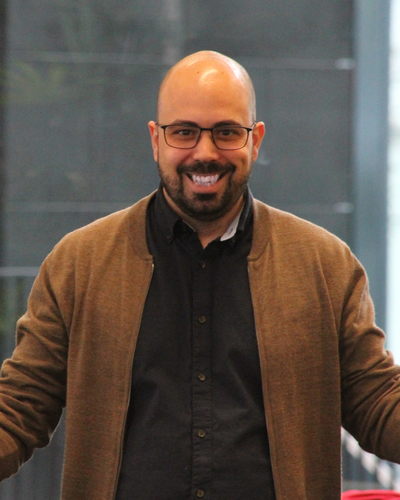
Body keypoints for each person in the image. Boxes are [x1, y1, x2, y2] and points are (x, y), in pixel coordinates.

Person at [0, 50, 399, 500]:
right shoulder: (78, 265)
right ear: (156, 139)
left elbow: (376, 401)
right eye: (184, 132)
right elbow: (20, 407)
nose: (205, 153)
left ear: (255, 140)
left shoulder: (325, 266)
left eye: (227, 132)